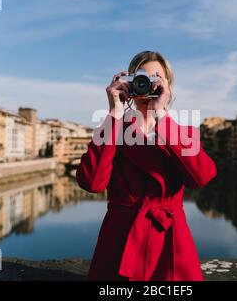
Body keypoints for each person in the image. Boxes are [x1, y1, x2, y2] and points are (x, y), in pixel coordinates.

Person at [76, 51, 217, 281]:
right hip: (120, 241)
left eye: (156, 78)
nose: (147, 84)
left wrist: (160, 114)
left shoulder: (184, 134)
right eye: (140, 78)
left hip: (170, 243)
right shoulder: (112, 132)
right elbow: (91, 183)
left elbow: (202, 177)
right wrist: (114, 112)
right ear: (128, 83)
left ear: (167, 86)